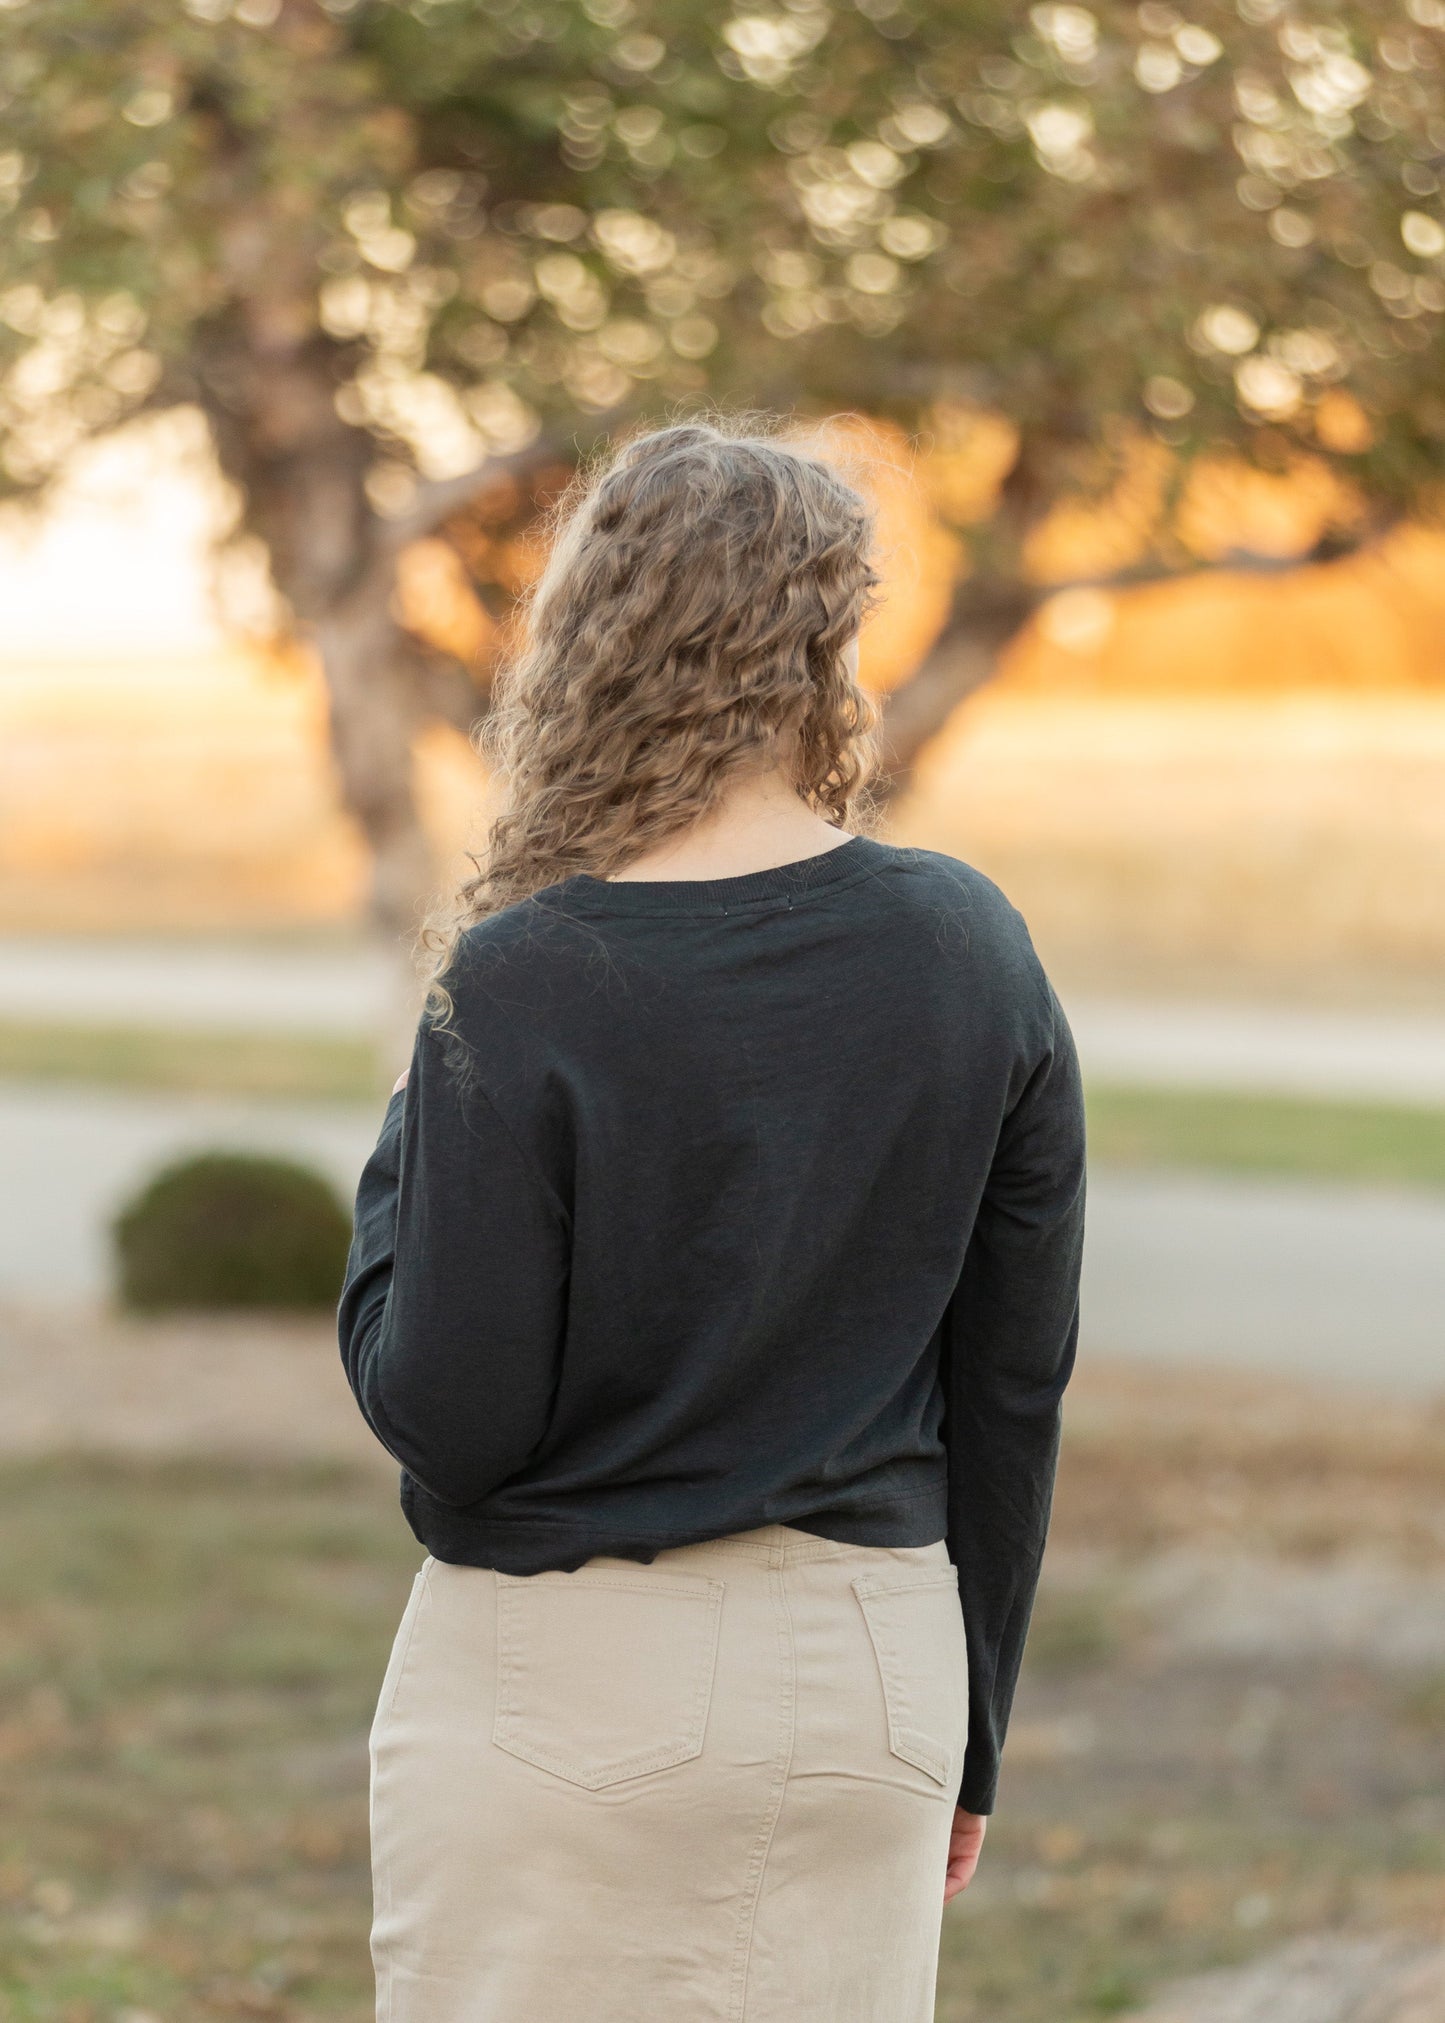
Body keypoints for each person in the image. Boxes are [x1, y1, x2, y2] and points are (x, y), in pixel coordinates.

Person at [337, 419, 1086, 2023]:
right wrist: (971, 1739)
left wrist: (421, 1117)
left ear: (583, 642)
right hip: (874, 1682)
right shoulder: (970, 945)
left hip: (573, 1685)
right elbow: (1010, 1387)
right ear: (831, 639)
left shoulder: (529, 977)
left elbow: (448, 1418)